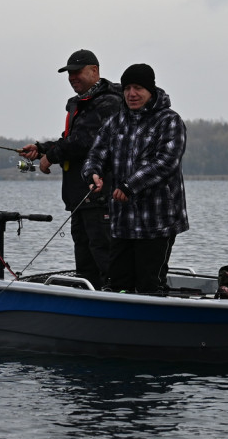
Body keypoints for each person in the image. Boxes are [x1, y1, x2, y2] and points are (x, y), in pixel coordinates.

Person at [20, 49, 122, 289]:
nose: (72, 77)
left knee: (104, 254)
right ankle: (91, 304)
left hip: (100, 195)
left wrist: (50, 157)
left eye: (78, 72)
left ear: (95, 71)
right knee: (85, 263)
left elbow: (84, 140)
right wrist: (41, 148)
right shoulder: (81, 103)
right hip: (80, 197)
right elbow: (71, 137)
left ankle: (117, 299)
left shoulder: (108, 102)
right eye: (69, 73)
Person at [82, 63, 188, 294]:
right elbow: (96, 154)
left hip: (157, 221)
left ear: (151, 90)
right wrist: (92, 174)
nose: (132, 94)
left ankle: (156, 323)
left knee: (149, 284)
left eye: (138, 88)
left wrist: (130, 186)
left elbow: (166, 162)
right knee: (118, 284)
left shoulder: (169, 120)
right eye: (127, 88)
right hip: (122, 222)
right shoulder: (115, 122)